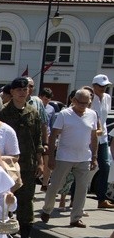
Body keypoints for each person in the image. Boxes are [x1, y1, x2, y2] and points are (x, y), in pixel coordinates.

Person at [40, 89, 99, 228]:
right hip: (65, 156)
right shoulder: (64, 114)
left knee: (82, 189)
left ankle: (75, 218)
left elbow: (94, 136)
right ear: (74, 101)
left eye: (87, 103)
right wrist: (52, 157)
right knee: (56, 185)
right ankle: (47, 209)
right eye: (81, 103)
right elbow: (53, 135)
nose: (84, 105)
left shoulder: (92, 114)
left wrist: (94, 156)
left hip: (84, 157)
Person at [0, 77, 44, 238]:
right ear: (12, 92)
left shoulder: (33, 112)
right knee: (5, 199)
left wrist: (40, 162)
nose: (22, 93)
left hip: (28, 163)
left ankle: (25, 236)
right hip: (8, 164)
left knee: (27, 200)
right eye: (19, 90)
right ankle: (3, 231)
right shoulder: (3, 112)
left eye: (25, 90)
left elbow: (37, 139)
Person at [91, 74, 114, 208]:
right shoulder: (89, 97)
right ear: (94, 86)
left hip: (103, 137)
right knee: (85, 169)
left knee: (105, 166)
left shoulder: (107, 98)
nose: (103, 88)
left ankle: (102, 199)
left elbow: (104, 118)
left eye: (105, 86)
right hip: (89, 137)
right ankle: (73, 197)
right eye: (100, 86)